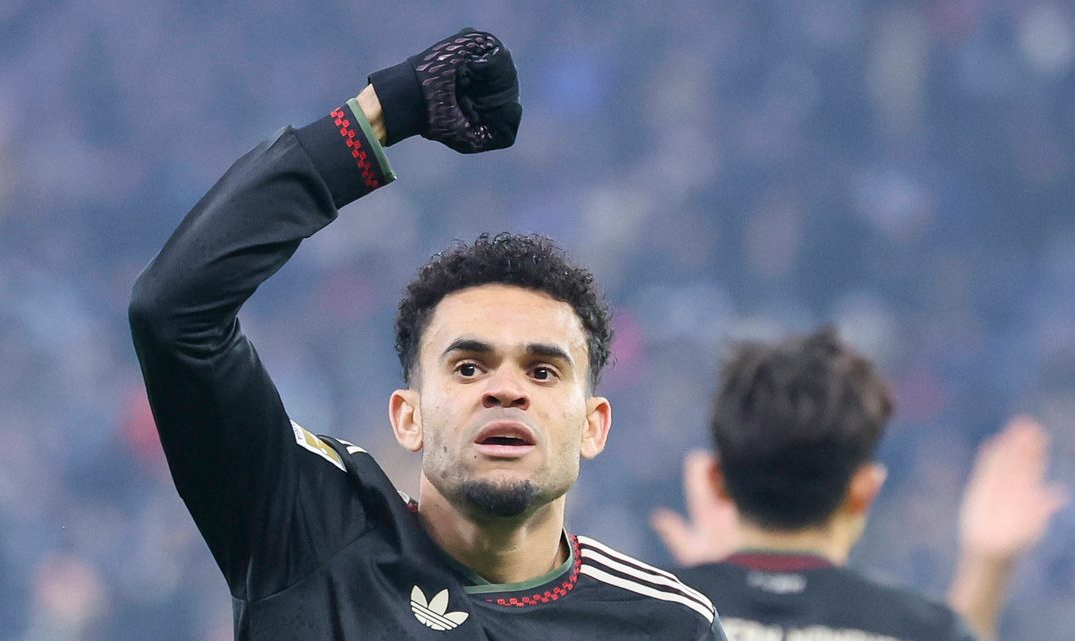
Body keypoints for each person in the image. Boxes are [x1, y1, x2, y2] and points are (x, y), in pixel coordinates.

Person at [129, 28, 725, 641]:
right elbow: (176, 312)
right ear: (407, 416)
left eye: (542, 371)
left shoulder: (666, 626)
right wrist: (388, 110)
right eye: (468, 367)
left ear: (594, 424)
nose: (505, 391)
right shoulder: (308, 536)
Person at [650, 328, 1067, 641]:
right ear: (864, 490)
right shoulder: (917, 629)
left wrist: (712, 587)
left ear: (715, 481)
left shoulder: (642, 614)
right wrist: (988, 568)